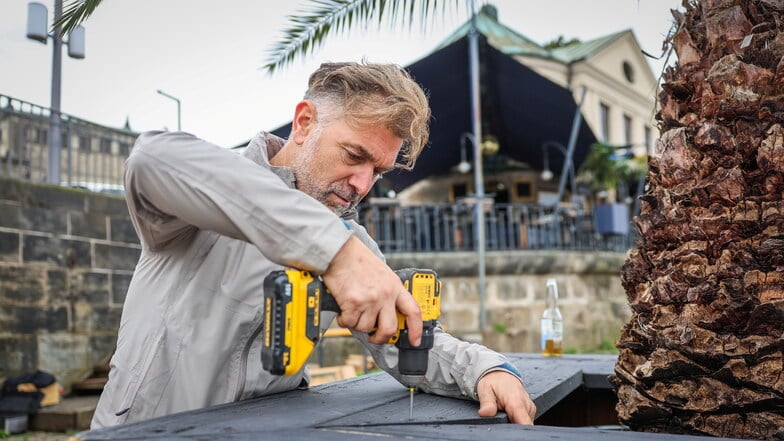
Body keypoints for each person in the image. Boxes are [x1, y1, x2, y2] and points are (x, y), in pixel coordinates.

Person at [91, 61, 536, 429]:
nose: (363, 184)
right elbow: (150, 158)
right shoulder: (200, 199)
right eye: (354, 155)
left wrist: (485, 369)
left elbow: (407, 338)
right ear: (304, 122)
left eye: (378, 172)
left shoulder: (351, 241)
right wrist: (335, 254)